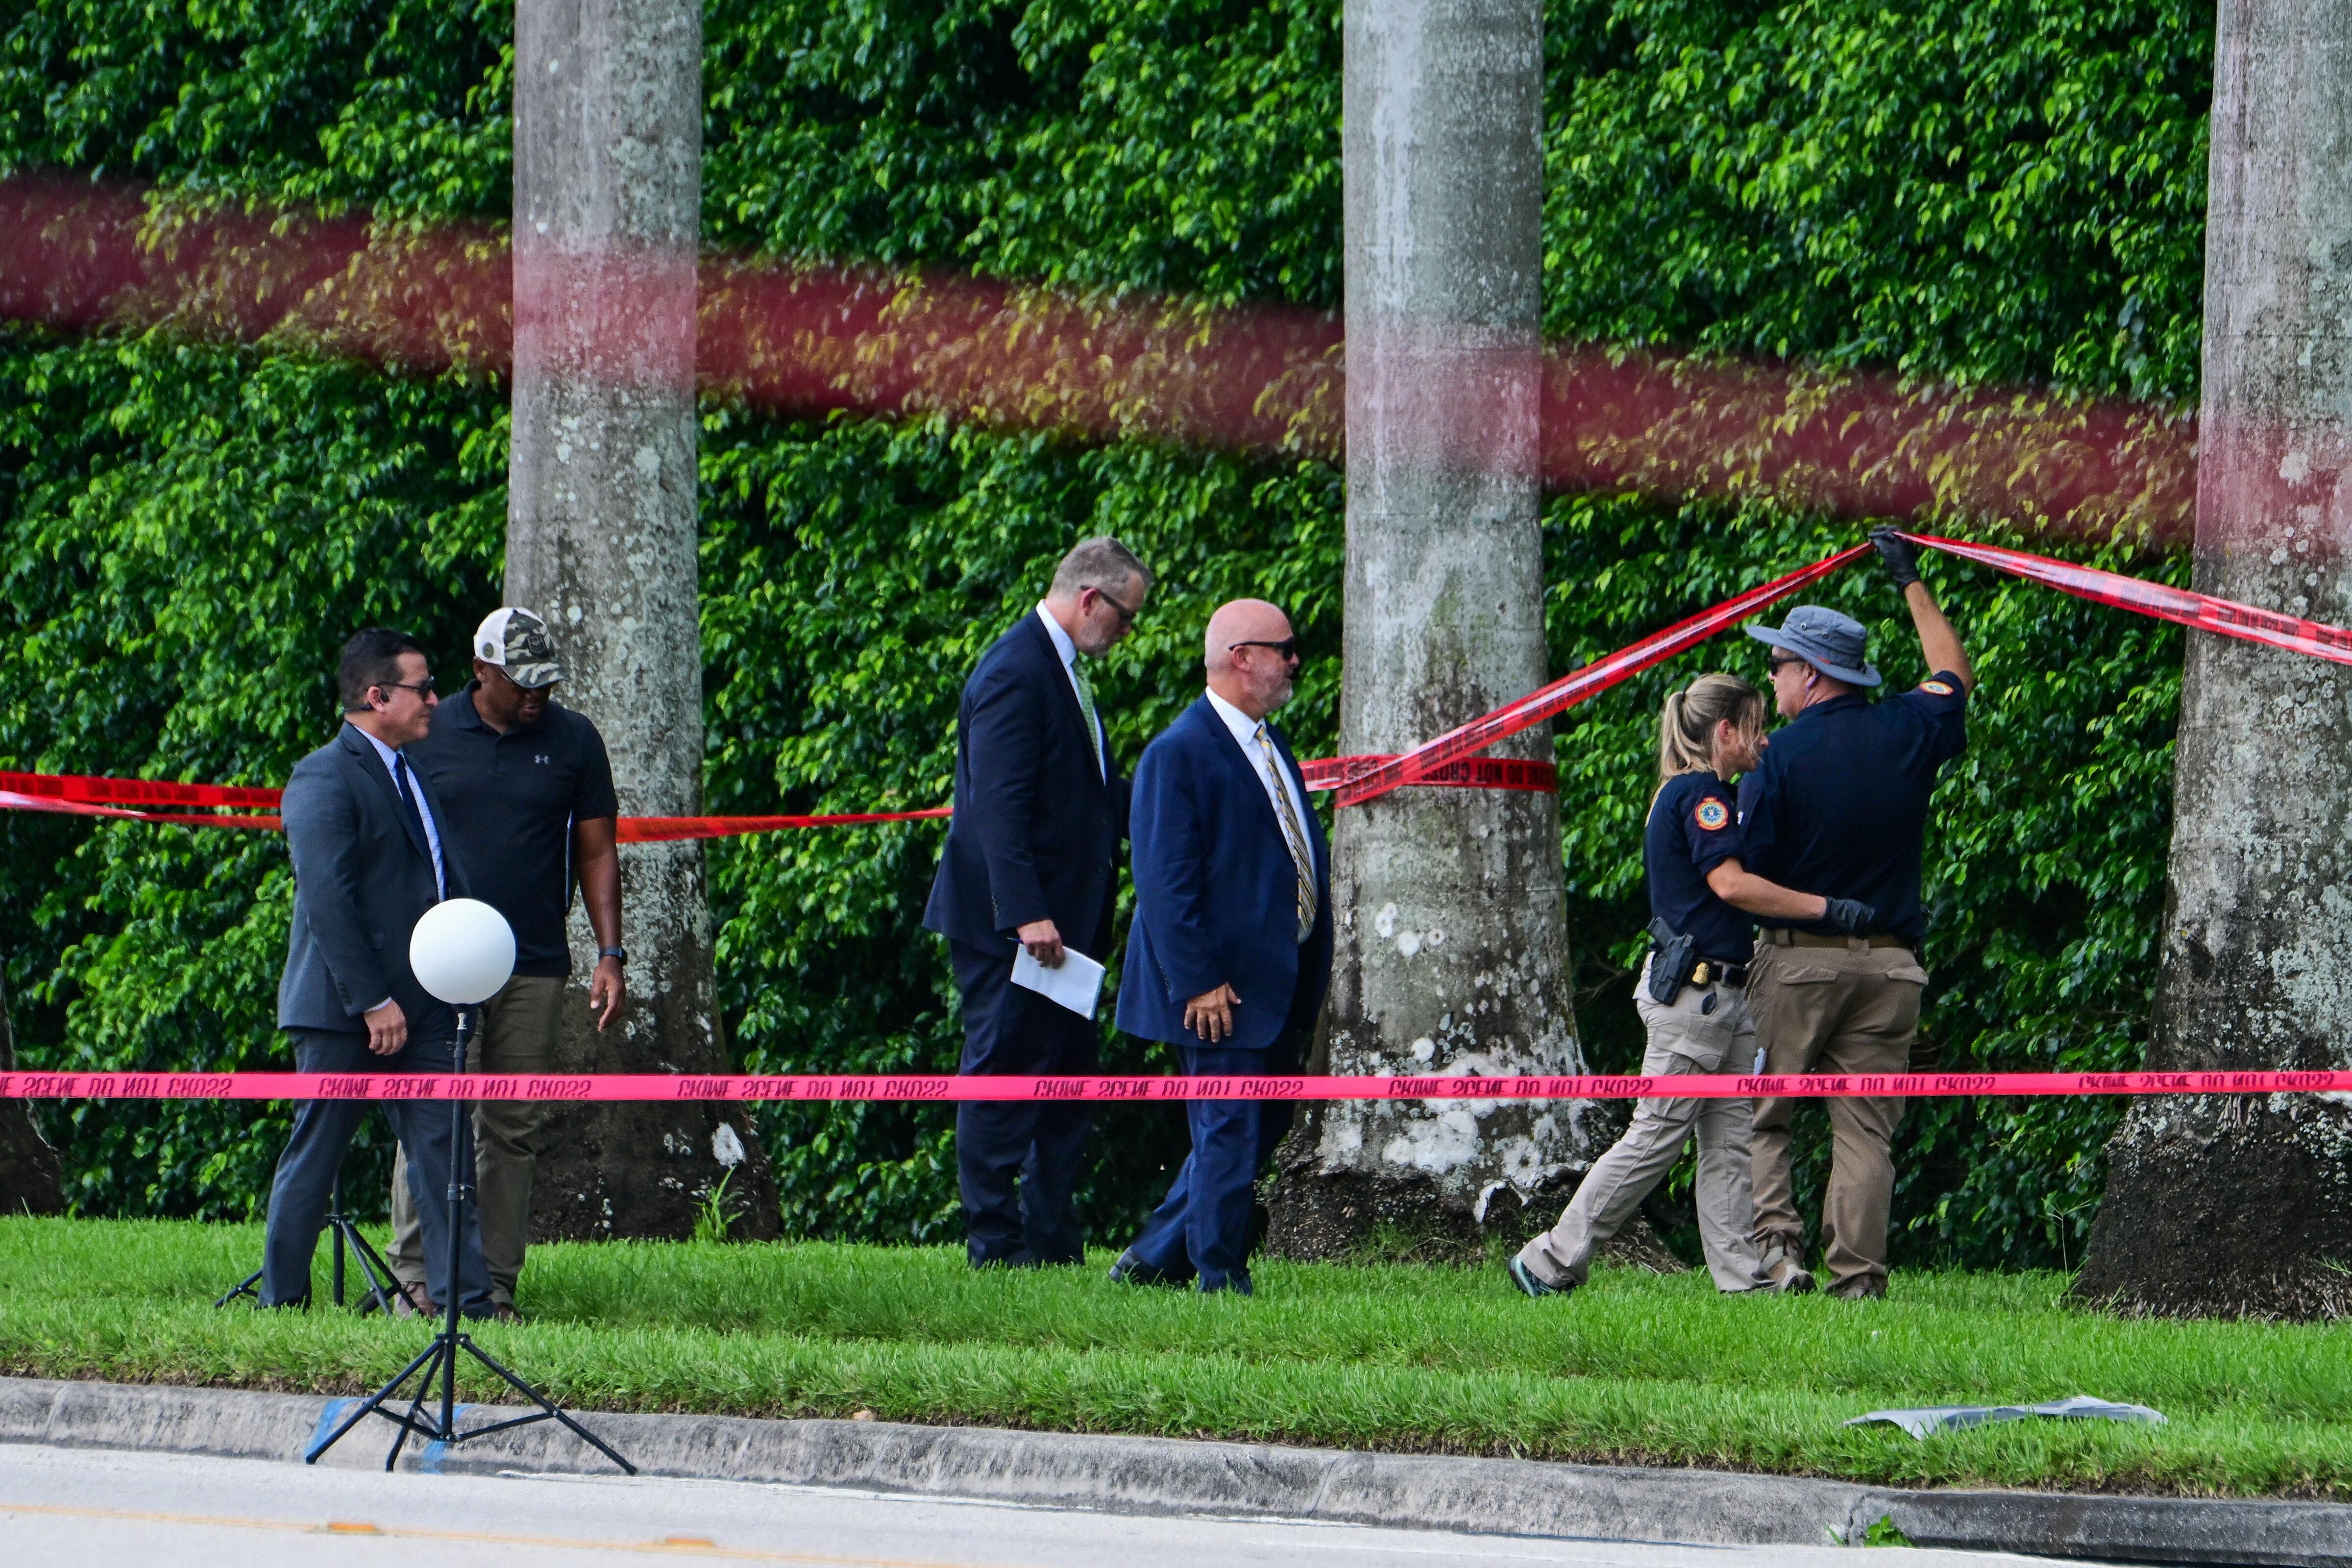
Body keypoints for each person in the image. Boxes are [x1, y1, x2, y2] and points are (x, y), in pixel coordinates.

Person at [1508, 674, 1873, 1300]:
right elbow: (1731, 886)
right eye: (1754, 727)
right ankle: (1551, 1258)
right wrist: (1824, 909)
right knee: (1656, 1134)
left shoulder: (1687, 792)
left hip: (1723, 997)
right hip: (1697, 999)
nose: (1763, 740)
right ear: (1724, 732)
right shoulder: (1704, 794)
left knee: (1731, 1140)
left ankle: (1743, 1281)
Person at [1737, 527, 1975, 1300]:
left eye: (1776, 666)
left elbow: (1748, 871)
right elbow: (1953, 673)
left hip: (1800, 957)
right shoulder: (1910, 728)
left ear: (1808, 675)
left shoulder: (1776, 757)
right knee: (1866, 1131)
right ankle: (1858, 1282)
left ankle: (1779, 1253)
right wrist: (1910, 578)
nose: (1770, 680)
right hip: (1892, 967)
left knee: (1768, 1113)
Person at [384, 608, 624, 1322]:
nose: (536, 698)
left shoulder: (574, 739)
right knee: (433, 1114)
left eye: (546, 685)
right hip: (438, 962)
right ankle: (417, 1279)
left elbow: (596, 852)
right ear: (481, 670)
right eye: (521, 684)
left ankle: (492, 1286)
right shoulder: (428, 733)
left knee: (511, 1125)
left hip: (534, 961)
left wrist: (609, 953)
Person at [922, 538, 1152, 1267]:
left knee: (1065, 1082)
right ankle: (995, 1242)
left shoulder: (1064, 671)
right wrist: (1026, 914)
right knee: (1002, 1074)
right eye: (1125, 619)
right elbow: (998, 806)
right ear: (1091, 599)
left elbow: (1090, 795)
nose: (1126, 634)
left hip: (1065, 932)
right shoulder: (1017, 671)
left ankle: (1051, 1237)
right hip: (1016, 930)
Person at [259, 628, 493, 1317]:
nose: (436, 700)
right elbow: (329, 900)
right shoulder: (323, 775)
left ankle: (466, 1310)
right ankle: (282, 1307)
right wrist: (370, 1000)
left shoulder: (411, 771)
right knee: (317, 1153)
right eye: (423, 688)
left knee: (447, 1159)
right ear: (377, 696)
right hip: (343, 1012)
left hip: (425, 1008)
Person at [1110, 600, 1331, 1296]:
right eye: (1284, 648)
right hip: (1220, 992)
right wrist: (1199, 982)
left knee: (1250, 1130)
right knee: (1230, 1132)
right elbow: (1164, 882)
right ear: (1242, 657)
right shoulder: (1179, 752)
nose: (1295, 660)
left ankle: (1151, 1259)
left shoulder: (1269, 744)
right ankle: (1219, 1281)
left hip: (1276, 982)